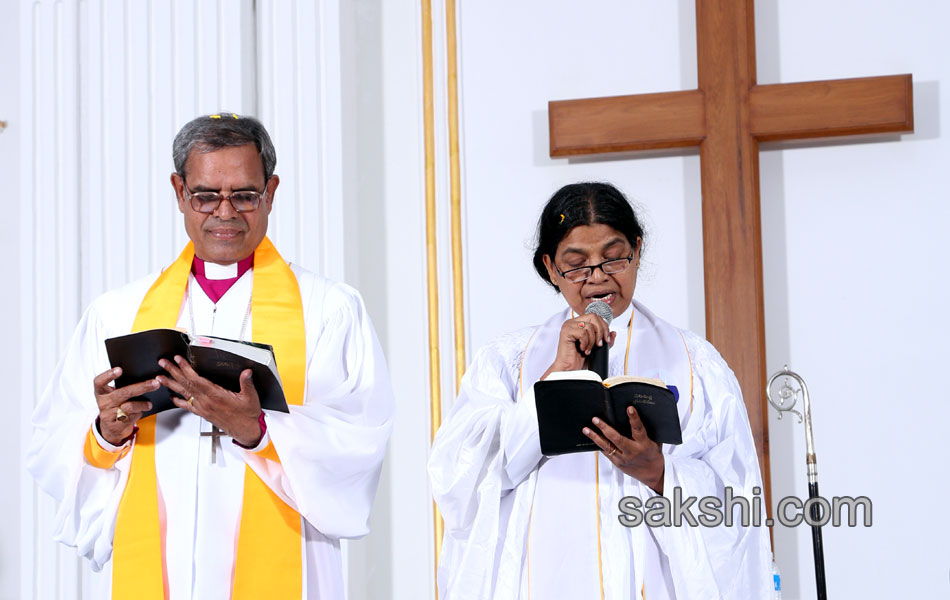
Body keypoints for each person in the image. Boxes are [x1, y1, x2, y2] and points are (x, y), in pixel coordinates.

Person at [27, 113, 394, 599]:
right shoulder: (119, 313)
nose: (225, 213)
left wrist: (258, 431)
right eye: (205, 195)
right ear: (180, 192)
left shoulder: (328, 309)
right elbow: (50, 442)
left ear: (271, 191)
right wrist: (105, 433)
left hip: (284, 567)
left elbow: (360, 440)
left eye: (244, 195)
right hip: (163, 566)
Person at [428, 182, 772, 599]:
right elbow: (459, 478)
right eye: (576, 265)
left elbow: (738, 499)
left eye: (613, 259)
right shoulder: (507, 362)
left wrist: (660, 473)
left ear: (638, 250)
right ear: (551, 268)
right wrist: (555, 378)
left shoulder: (698, 364)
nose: (597, 279)